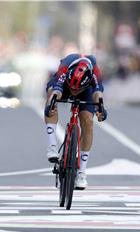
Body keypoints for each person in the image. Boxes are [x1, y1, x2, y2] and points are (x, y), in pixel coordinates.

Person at [44, 53, 107, 190]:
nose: (74, 92)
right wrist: (51, 104)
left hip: (86, 89)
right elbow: (57, 90)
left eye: (75, 90)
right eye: (73, 90)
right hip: (64, 85)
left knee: (88, 121)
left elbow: (98, 94)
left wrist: (100, 108)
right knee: (51, 96)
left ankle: (82, 173)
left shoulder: (94, 72)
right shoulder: (66, 66)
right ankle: (52, 146)